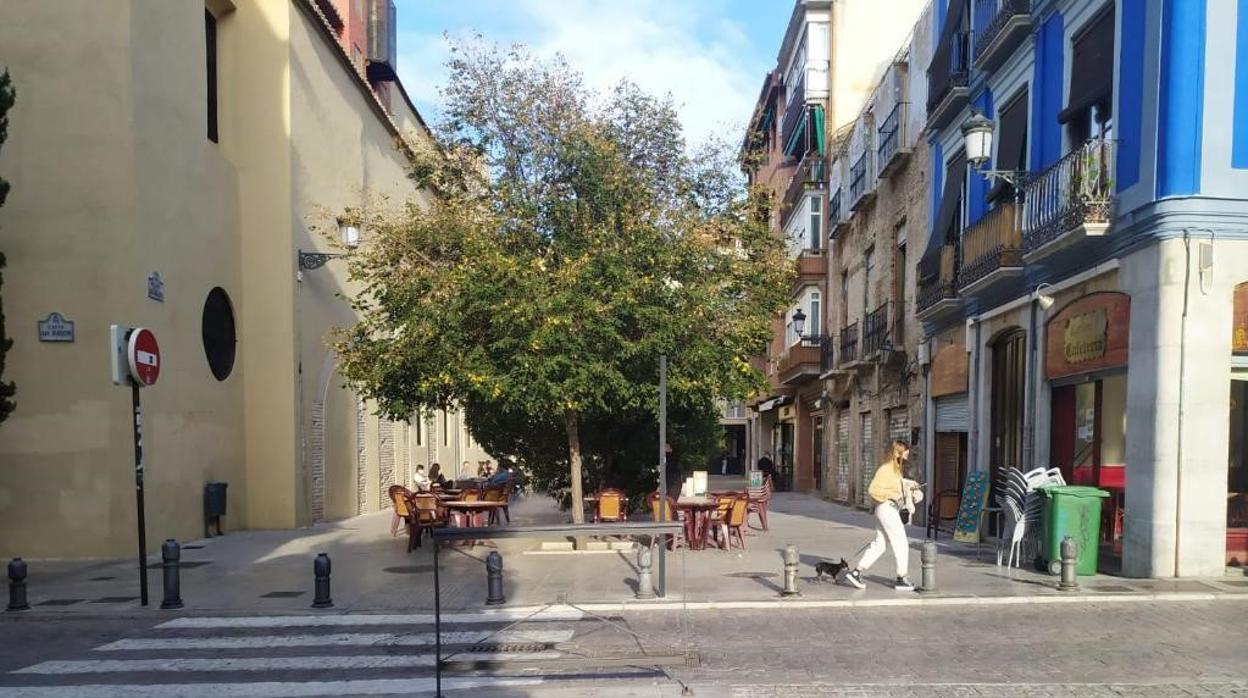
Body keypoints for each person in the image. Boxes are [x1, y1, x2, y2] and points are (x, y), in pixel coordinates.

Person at [841, 440, 924, 591]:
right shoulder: (886, 469)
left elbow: (896, 484)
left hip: (887, 509)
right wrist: (891, 494)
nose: (908, 453)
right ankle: (901, 577)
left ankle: (856, 572)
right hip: (887, 509)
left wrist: (909, 486)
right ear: (898, 452)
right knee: (901, 542)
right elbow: (873, 490)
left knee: (880, 545)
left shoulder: (895, 470)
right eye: (905, 451)